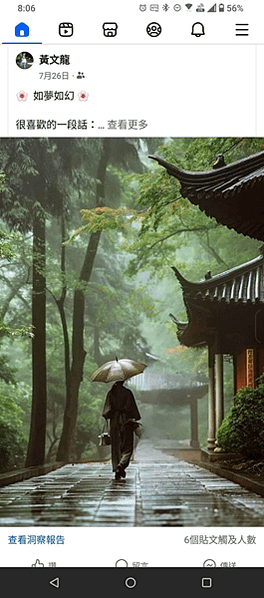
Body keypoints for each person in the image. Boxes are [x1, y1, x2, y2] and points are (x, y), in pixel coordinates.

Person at [102, 380, 141, 480]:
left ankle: (116, 468)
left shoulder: (111, 394)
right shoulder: (128, 393)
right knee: (127, 447)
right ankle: (122, 465)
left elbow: (106, 412)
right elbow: (133, 411)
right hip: (126, 422)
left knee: (116, 448)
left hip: (114, 423)